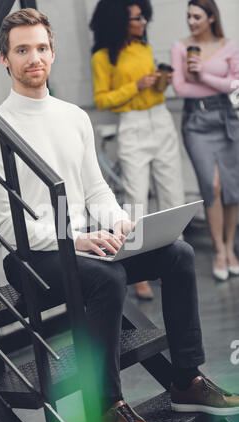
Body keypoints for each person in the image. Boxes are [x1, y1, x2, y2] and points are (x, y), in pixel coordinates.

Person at [0, 8, 239, 422]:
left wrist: (122, 223)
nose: (33, 58)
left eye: (41, 48)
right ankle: (106, 404)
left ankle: (186, 381)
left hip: (85, 241)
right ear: (5, 59)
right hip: (31, 257)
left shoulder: (73, 117)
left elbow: (96, 190)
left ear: (53, 52)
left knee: (179, 253)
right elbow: (8, 226)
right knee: (107, 276)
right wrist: (75, 239)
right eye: (22, 50)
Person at [90, 0, 185, 300]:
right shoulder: (103, 58)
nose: (143, 22)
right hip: (131, 126)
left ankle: (178, 261)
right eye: (136, 18)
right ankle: (137, 271)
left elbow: (153, 92)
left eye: (144, 17)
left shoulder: (144, 49)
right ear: (120, 22)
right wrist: (136, 86)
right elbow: (103, 100)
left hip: (160, 119)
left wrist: (160, 82)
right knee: (135, 201)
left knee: (174, 195)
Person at [171, 0, 239, 281]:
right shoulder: (180, 47)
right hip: (196, 123)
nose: (191, 21)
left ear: (211, 18)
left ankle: (230, 245)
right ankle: (218, 249)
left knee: (232, 188)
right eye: (188, 16)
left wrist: (203, 74)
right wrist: (216, 80)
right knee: (211, 186)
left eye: (197, 16)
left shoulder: (230, 45)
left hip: (227, 120)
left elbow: (236, 84)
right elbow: (181, 87)